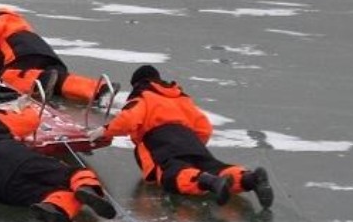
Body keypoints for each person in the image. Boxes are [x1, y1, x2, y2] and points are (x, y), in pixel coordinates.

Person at [98, 65, 274, 209]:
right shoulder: (180, 97)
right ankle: (249, 178)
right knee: (214, 166)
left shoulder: (142, 96)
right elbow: (204, 127)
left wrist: (104, 130)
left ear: (137, 83)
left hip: (160, 140)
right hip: (191, 139)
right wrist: (192, 145)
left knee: (172, 173)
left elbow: (128, 119)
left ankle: (207, 182)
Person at [0, 6, 104, 104]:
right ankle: (97, 89)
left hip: (21, 52)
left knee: (9, 77)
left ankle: (42, 79)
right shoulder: (19, 24)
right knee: (59, 80)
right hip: (44, 52)